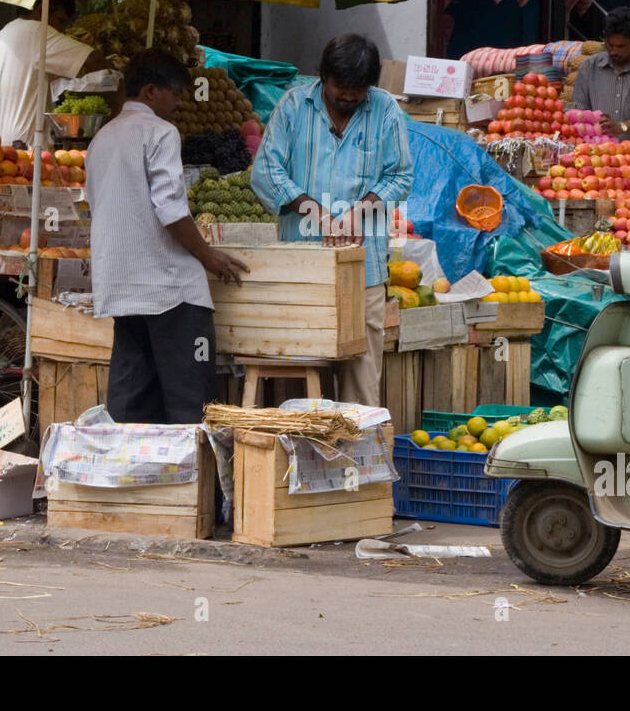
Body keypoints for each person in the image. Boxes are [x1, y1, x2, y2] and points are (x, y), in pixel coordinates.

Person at [252, 34, 413, 408]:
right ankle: (301, 462)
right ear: (323, 76)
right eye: (341, 86)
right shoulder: (293, 106)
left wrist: (359, 212)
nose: (349, 96)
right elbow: (266, 171)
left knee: (362, 386)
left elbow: (400, 175)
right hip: (303, 268)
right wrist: (319, 215)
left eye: (358, 90)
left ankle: (358, 461)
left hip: (365, 270)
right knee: (302, 383)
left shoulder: (385, 109)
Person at [88, 52, 249, 424]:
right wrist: (209, 256)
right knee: (191, 405)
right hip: (170, 293)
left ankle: (135, 479)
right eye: (175, 95)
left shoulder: (102, 137)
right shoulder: (160, 132)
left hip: (121, 287)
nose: (179, 104)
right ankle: (198, 482)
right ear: (149, 91)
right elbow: (171, 209)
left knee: (131, 404)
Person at [0, 0, 109, 148]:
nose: (62, 31)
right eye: (60, 21)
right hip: (25, 153)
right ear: (41, 11)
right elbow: (94, 60)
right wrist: (119, 103)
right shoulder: (38, 32)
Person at [572, 6, 630, 145]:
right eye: (610, 45)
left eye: (621, 46)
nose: (614, 51)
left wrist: (621, 127)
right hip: (595, 156)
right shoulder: (589, 67)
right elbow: (578, 112)